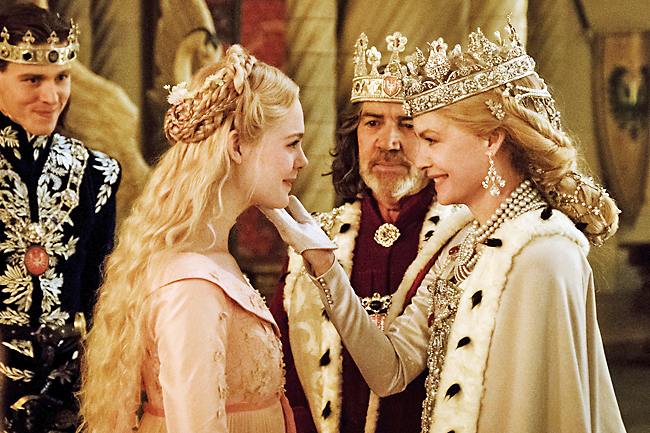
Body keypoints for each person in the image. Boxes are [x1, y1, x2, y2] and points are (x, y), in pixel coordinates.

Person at [262, 16, 628, 433]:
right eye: (374, 123)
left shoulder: (544, 255)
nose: (418, 158)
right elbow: (390, 371)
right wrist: (326, 266)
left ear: (490, 139)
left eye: (431, 139)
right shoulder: (461, 243)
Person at [79, 44, 311, 433]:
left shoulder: (212, 258)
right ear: (237, 146)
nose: (302, 160)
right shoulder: (191, 284)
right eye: (291, 143)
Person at [269, 32, 451, 433]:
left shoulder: (460, 238)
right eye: (373, 123)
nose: (389, 142)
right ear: (355, 134)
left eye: (407, 124)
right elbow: (281, 372)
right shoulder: (315, 239)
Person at [0, 3, 120, 432]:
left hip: (68, 386)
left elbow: (98, 294)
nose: (51, 97)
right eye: (32, 79)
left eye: (61, 78)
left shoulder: (97, 173)